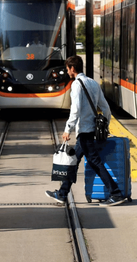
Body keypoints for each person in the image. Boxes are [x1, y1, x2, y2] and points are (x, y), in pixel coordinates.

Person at [45, 55, 126, 207]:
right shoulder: (93, 83)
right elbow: (106, 108)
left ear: (72, 69)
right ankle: (62, 194)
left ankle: (116, 194)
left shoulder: (76, 85)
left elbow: (75, 110)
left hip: (84, 131)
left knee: (95, 163)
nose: (67, 72)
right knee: (73, 162)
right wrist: (105, 125)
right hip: (91, 130)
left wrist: (67, 129)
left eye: (68, 69)